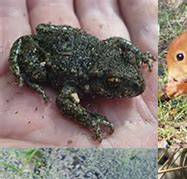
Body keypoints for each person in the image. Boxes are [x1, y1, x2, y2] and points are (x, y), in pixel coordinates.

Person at [0, 0, 158, 147]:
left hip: (68, 41)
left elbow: (118, 42)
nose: (135, 82)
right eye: (114, 82)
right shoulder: (80, 83)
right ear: (96, 80)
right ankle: (25, 75)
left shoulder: (109, 48)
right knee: (37, 74)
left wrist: (138, 55)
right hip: (46, 53)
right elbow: (63, 102)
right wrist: (89, 120)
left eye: (130, 61)